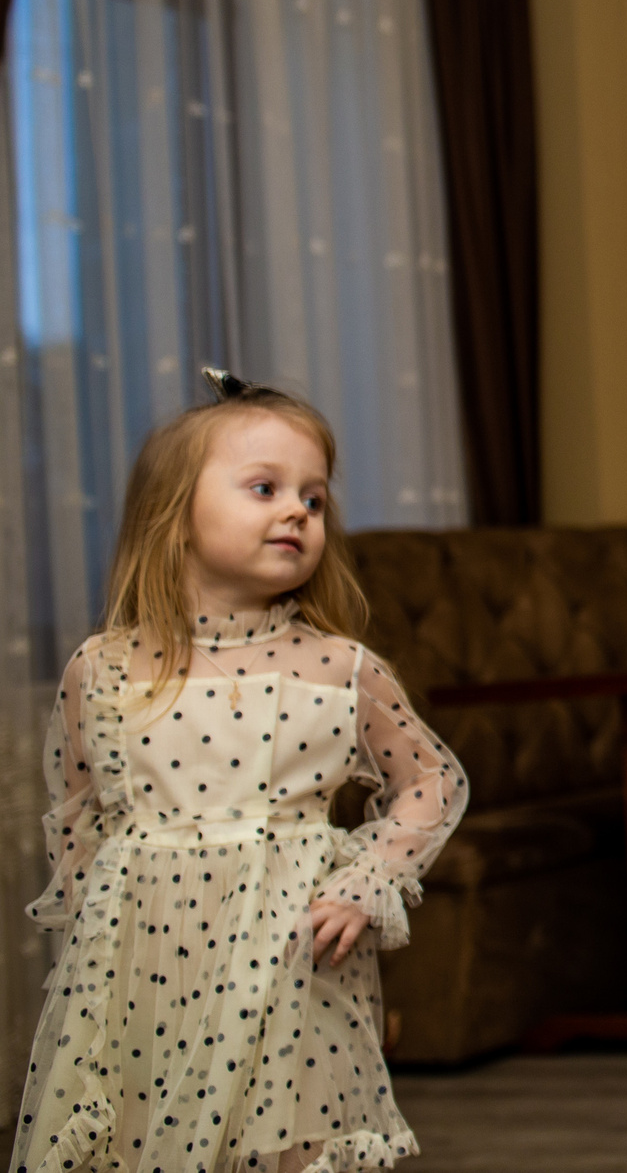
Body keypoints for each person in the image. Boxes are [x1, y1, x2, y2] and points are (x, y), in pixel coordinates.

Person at [14, 372, 467, 1173]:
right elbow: (82, 821)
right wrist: (92, 952)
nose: (297, 509)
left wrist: (367, 879)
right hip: (144, 974)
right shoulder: (104, 670)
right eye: (265, 487)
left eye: (314, 498)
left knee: (286, 1145)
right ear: (174, 514)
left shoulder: (339, 668)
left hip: (291, 965)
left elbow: (431, 781)